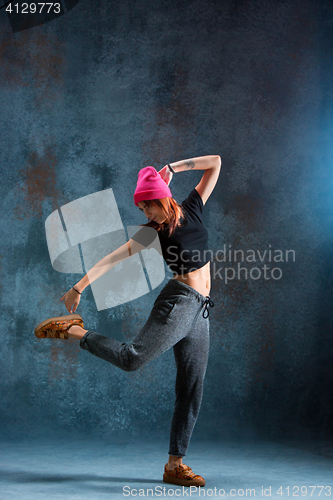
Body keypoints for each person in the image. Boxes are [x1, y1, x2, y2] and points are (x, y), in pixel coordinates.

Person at [34, 155, 221, 487]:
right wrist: (79, 286)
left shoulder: (192, 206)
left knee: (192, 388)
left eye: (147, 206)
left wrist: (174, 168)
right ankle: (75, 331)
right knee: (132, 359)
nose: (145, 213)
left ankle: (174, 466)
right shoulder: (154, 231)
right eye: (142, 209)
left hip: (201, 309)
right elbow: (112, 259)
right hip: (178, 302)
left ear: (161, 197)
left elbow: (216, 163)